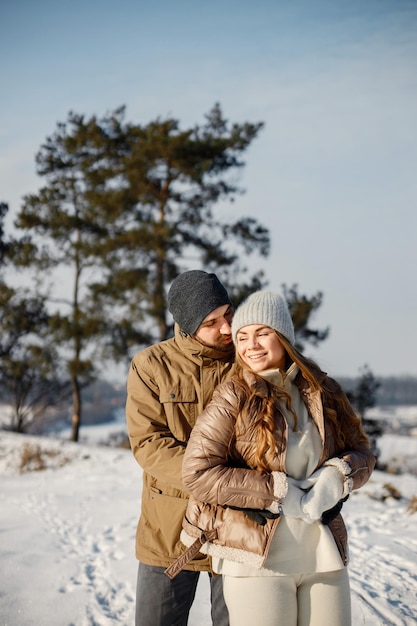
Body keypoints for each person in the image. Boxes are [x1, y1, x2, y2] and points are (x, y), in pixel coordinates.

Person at [167, 290, 376, 626]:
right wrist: (278, 492)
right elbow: (198, 473)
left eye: (263, 333)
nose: (252, 345)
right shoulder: (232, 395)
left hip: (321, 553)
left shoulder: (324, 390)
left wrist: (339, 476)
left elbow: (362, 452)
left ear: (284, 337)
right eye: (243, 336)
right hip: (257, 559)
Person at [126, 270, 236, 626]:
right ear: (188, 326)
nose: (227, 329)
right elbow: (148, 444)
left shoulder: (247, 361)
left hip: (238, 530)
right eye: (212, 322)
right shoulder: (151, 366)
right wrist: (211, 481)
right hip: (169, 531)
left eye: (229, 315)